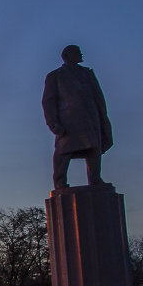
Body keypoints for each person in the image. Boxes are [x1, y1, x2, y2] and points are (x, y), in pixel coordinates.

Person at [41, 44, 113, 190]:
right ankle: (60, 182)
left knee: (94, 149)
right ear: (67, 55)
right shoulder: (55, 75)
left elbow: (98, 97)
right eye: (76, 52)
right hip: (69, 120)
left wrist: (103, 119)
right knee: (64, 151)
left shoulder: (87, 73)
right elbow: (48, 101)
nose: (80, 54)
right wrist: (53, 122)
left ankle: (95, 179)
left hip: (90, 118)